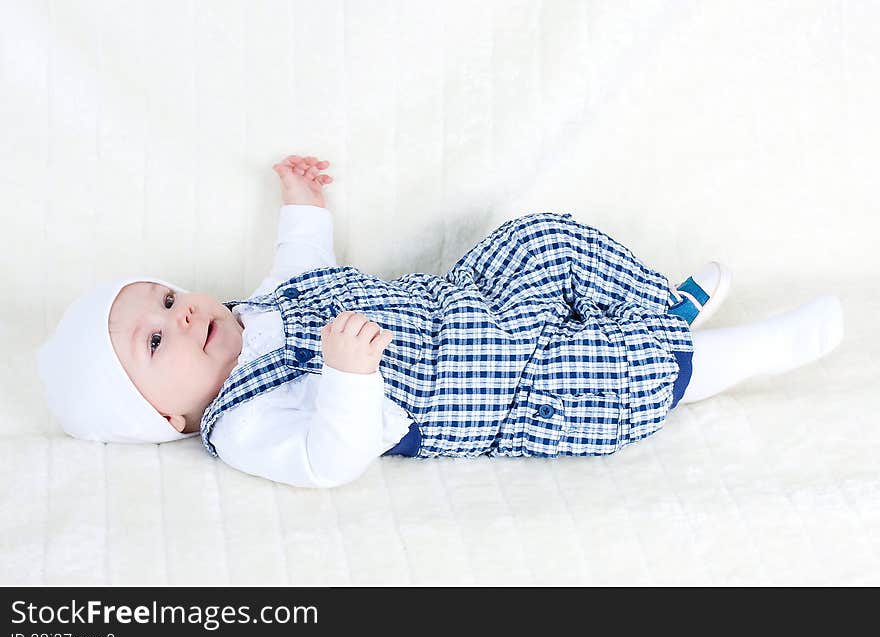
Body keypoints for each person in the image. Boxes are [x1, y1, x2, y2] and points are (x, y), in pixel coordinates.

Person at [37, 155, 845, 488]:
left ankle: (655, 309)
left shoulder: (260, 308)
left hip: (465, 302)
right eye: (154, 340)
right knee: (599, 370)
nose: (181, 317)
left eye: (168, 299)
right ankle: (738, 351)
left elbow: (302, 258)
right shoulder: (242, 423)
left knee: (542, 237)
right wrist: (349, 381)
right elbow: (330, 458)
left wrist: (301, 199)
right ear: (166, 416)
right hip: (494, 391)